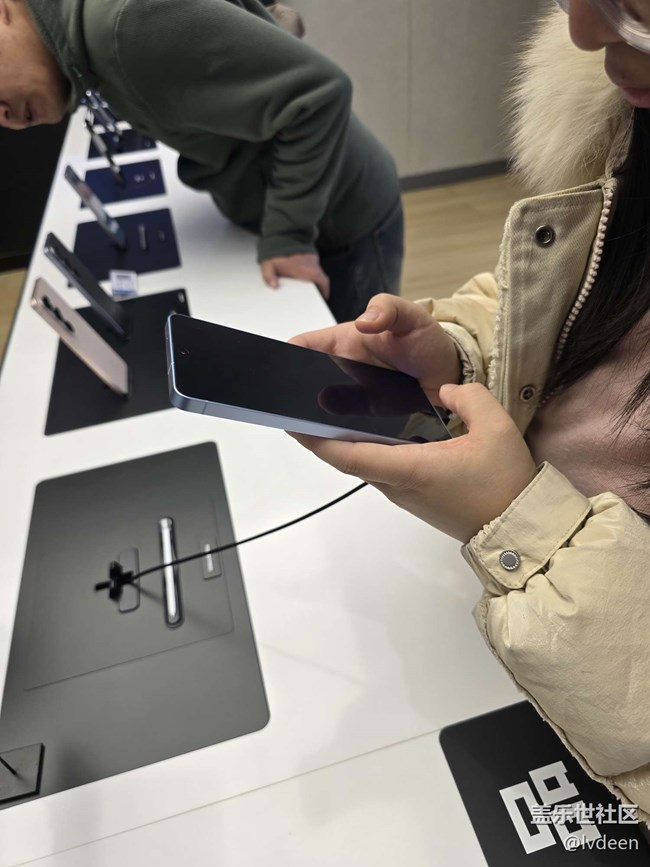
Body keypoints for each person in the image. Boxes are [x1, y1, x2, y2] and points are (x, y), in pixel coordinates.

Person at [290, 0, 650, 825]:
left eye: (632, 5)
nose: (583, 31)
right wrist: (457, 354)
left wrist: (522, 524)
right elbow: (572, 300)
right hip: (519, 642)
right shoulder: (618, 116)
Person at [0, 0, 403, 323]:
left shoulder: (126, 23)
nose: (4, 118)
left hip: (341, 220)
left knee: (363, 381)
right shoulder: (96, 34)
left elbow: (319, 94)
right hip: (310, 207)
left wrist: (288, 237)